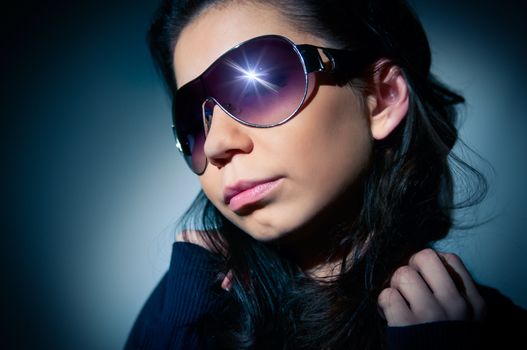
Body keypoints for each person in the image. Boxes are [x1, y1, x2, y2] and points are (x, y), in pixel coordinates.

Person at [125, 0, 527, 348]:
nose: (215, 145)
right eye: (195, 118)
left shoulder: (487, 330)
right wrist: (180, 329)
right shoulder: (184, 305)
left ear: (382, 99)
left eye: (259, 83)